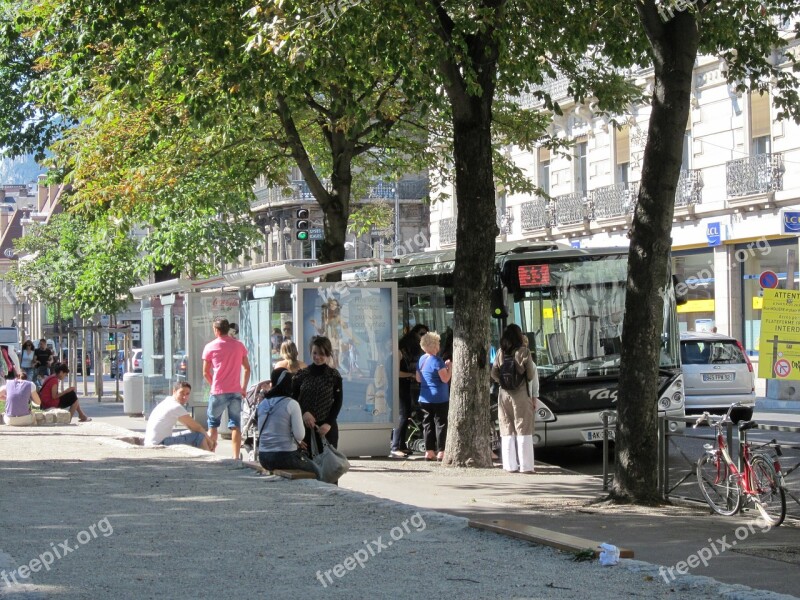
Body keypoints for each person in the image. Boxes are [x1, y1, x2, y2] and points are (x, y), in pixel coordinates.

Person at [491, 324, 538, 474]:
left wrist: (503, 382)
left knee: (506, 427)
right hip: (521, 393)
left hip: (504, 394)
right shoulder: (524, 351)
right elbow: (530, 374)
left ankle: (510, 465)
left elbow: (493, 373)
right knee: (523, 427)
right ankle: (526, 466)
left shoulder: (500, 352)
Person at [256, 368, 320, 478]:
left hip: (263, 457)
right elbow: (300, 435)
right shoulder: (291, 404)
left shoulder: (263, 404)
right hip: (284, 457)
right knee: (316, 470)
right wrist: (297, 441)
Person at [203, 318, 251, 459]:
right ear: (227, 329)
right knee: (235, 425)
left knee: (213, 424)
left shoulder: (210, 347)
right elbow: (247, 368)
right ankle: (235, 456)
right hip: (235, 390)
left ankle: (211, 454)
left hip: (218, 390)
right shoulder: (239, 345)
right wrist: (243, 388)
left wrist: (213, 384)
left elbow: (205, 372)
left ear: (216, 330)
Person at [292, 336, 343, 451]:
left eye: (322, 354)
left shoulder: (334, 375)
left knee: (328, 464)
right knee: (306, 465)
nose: (317, 357)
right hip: (303, 427)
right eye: (315, 353)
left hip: (327, 427)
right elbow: (293, 399)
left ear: (328, 354)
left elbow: (338, 402)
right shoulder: (301, 374)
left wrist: (328, 424)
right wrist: (304, 412)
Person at [390, 324, 428, 458]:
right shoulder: (400, 352)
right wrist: (410, 375)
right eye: (422, 334)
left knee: (406, 414)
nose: (423, 337)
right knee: (402, 414)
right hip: (400, 385)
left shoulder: (408, 352)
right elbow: (396, 373)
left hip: (405, 385)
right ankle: (395, 446)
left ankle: (401, 445)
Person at [145, 382, 216, 450]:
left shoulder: (167, 401)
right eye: (182, 393)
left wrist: (208, 439)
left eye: (187, 394)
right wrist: (210, 442)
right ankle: (210, 459)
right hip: (159, 444)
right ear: (174, 391)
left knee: (198, 434)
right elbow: (197, 427)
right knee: (199, 436)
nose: (184, 397)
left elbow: (191, 427)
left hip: (152, 442)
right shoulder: (176, 406)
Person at [416, 331, 451, 461]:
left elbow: (419, 379)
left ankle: (429, 451)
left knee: (427, 425)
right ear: (435, 345)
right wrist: (449, 368)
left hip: (424, 397)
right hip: (439, 397)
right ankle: (441, 451)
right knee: (441, 424)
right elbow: (445, 379)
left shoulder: (421, 359)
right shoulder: (438, 361)